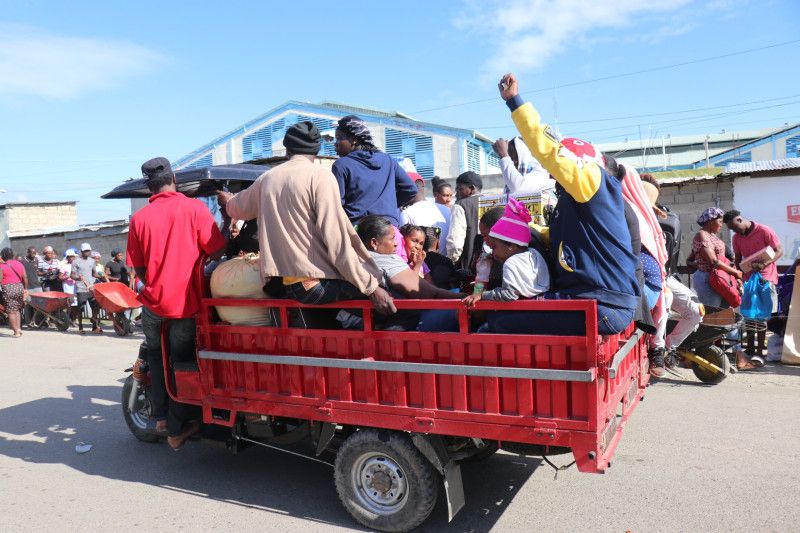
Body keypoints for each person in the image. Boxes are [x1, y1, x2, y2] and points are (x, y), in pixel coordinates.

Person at [494, 73, 639, 335]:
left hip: (600, 305)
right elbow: (561, 239)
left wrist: (514, 101)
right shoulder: (575, 200)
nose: (553, 175)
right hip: (600, 301)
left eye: (558, 170)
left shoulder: (591, 181)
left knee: (499, 324)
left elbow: (548, 151)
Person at [217, 122, 395, 316]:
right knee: (396, 307)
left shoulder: (267, 179)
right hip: (315, 285)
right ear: (317, 148)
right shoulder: (320, 177)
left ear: (287, 148)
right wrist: (371, 287)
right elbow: (337, 240)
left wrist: (228, 201)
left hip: (293, 286)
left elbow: (236, 208)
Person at [127, 156, 227, 450]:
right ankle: (176, 426)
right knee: (182, 360)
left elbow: (139, 268)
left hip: (154, 303)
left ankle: (159, 418)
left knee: (157, 358)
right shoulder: (194, 208)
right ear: (174, 178)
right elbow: (218, 250)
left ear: (149, 187)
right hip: (186, 303)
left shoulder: (140, 218)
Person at [639, 176, 704, 377]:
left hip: (664, 274)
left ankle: (669, 347)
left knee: (696, 312)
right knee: (664, 297)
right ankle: (657, 349)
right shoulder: (625, 216)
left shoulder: (663, 219)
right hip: (641, 275)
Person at [332, 114, 417, 262]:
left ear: (354, 139)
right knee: (397, 279)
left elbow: (336, 206)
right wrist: (389, 207)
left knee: (366, 283)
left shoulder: (342, 165)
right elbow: (411, 189)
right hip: (391, 233)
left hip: (361, 236)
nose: (336, 144)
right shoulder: (387, 160)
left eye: (339, 138)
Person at [357, 215, 464, 331]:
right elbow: (430, 293)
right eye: (392, 238)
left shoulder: (352, 258)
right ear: (374, 242)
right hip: (396, 331)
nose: (396, 244)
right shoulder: (388, 260)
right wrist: (463, 297)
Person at [463, 198, 550, 309]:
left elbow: (505, 294)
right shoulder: (530, 251)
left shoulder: (510, 259)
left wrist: (482, 284)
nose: (484, 241)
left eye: (486, 235)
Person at [724, 209, 784, 365]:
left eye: (735, 227)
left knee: (762, 316)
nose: (735, 231)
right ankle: (750, 348)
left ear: (740, 219)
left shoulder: (764, 230)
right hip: (748, 280)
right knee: (749, 316)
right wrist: (739, 273)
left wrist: (764, 263)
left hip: (766, 278)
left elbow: (779, 251)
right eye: (731, 229)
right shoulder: (737, 238)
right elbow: (737, 260)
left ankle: (759, 352)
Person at [690, 207, 742, 308]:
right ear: (711, 221)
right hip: (707, 279)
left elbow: (726, 258)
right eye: (720, 221)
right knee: (712, 315)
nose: (722, 225)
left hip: (721, 277)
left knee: (723, 313)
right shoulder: (702, 235)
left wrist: (734, 276)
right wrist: (735, 272)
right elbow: (714, 261)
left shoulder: (713, 237)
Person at [446, 171, 483, 271]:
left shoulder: (460, 205)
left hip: (468, 266)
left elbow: (455, 243)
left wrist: (451, 263)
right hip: (490, 265)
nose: (456, 193)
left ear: (471, 188)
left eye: (460, 189)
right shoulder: (490, 202)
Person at [400, 174, 449, 249]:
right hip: (448, 259)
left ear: (407, 188)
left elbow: (403, 247)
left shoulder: (406, 214)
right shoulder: (446, 210)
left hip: (422, 260)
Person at [71, 243, 101, 334]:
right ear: (82, 251)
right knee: (81, 308)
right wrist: (78, 278)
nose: (88, 252)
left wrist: (101, 276)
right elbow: (71, 275)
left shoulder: (92, 261)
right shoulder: (75, 261)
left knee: (96, 306)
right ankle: (80, 327)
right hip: (81, 288)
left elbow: (94, 273)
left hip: (91, 288)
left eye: (89, 251)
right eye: (86, 251)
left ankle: (94, 326)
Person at [0, 247, 28, 337]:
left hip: (8, 288)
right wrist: (25, 289)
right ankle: (18, 328)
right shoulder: (19, 263)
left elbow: (0, 280)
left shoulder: (2, 266)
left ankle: (16, 331)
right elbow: (25, 277)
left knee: (11, 311)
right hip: (20, 287)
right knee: (17, 310)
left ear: (3, 255)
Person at [21, 246, 41, 327]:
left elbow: (37, 272)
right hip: (28, 287)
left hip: (37, 286)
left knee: (40, 305)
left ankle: (38, 321)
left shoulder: (36, 260)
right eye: (32, 253)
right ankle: (29, 323)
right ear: (28, 252)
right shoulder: (22, 261)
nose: (33, 255)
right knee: (28, 305)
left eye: (35, 253)